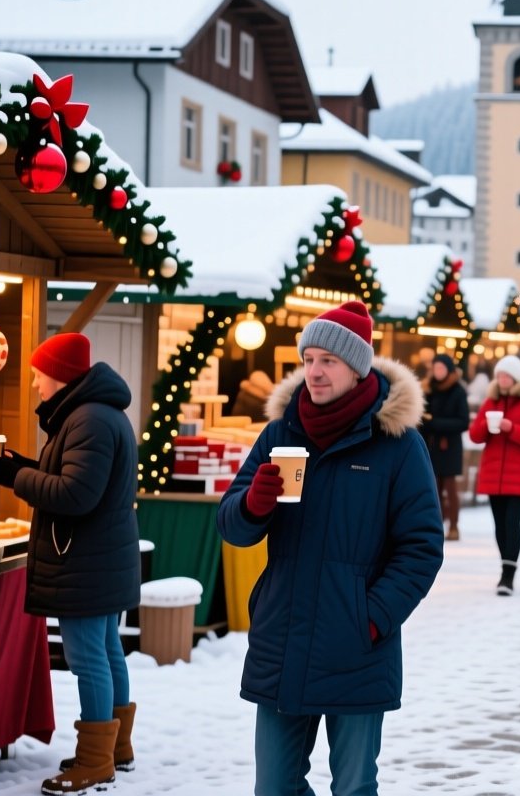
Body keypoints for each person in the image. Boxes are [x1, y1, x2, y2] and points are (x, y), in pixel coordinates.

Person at [217, 302, 443, 796]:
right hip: (282, 637)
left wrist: (372, 616)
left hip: (357, 647)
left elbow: (422, 547)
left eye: (328, 361)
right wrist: (255, 504)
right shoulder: (280, 433)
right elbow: (231, 526)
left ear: (357, 366)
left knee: (354, 787)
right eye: (309, 359)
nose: (314, 372)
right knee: (274, 787)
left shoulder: (397, 445)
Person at [0, 333, 141, 794]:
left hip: (85, 562)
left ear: (60, 375)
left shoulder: (88, 419)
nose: (34, 385)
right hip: (102, 558)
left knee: (89, 659)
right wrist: (26, 464)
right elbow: (74, 478)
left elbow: (76, 495)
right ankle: (116, 747)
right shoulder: (95, 414)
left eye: (38, 375)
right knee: (108, 651)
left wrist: (16, 477)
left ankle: (94, 761)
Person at [469, 354, 520, 595]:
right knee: (499, 526)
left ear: (516, 378)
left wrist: (511, 428)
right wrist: (487, 427)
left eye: (507, 376)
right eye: (500, 375)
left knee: (512, 523)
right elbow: (475, 435)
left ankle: (508, 575)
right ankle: (505, 565)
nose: (502, 379)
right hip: (494, 474)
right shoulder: (490, 402)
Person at [420, 354, 470, 541]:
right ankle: (437, 525)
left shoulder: (458, 391)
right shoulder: (427, 389)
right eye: (436, 368)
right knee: (433, 487)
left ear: (448, 370)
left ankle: (454, 526)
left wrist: (435, 423)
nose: (438, 371)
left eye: (441, 368)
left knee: (450, 486)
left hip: (449, 446)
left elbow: (463, 422)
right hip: (430, 445)